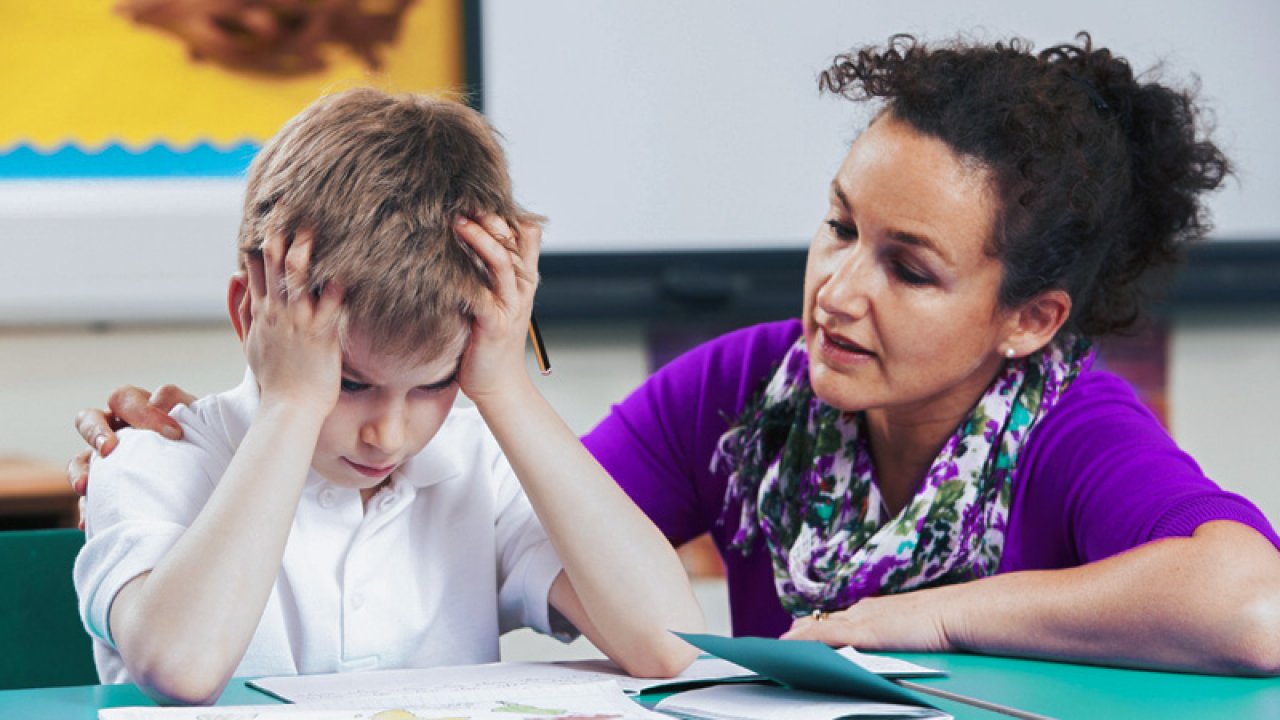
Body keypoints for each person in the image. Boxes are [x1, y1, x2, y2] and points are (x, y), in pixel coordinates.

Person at [72, 34, 1280, 676]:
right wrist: (282, 414)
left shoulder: (1067, 430)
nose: (837, 291)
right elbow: (583, 547)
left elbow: (1252, 602)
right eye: (837, 227)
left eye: (907, 269)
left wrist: (937, 619)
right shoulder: (747, 390)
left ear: (1028, 320)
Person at [71, 88, 702, 705]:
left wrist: (505, 387)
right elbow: (182, 668)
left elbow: (672, 646)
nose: (388, 435)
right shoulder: (150, 458)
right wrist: (293, 403)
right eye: (348, 384)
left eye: (434, 384)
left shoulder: (478, 466)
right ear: (251, 315)